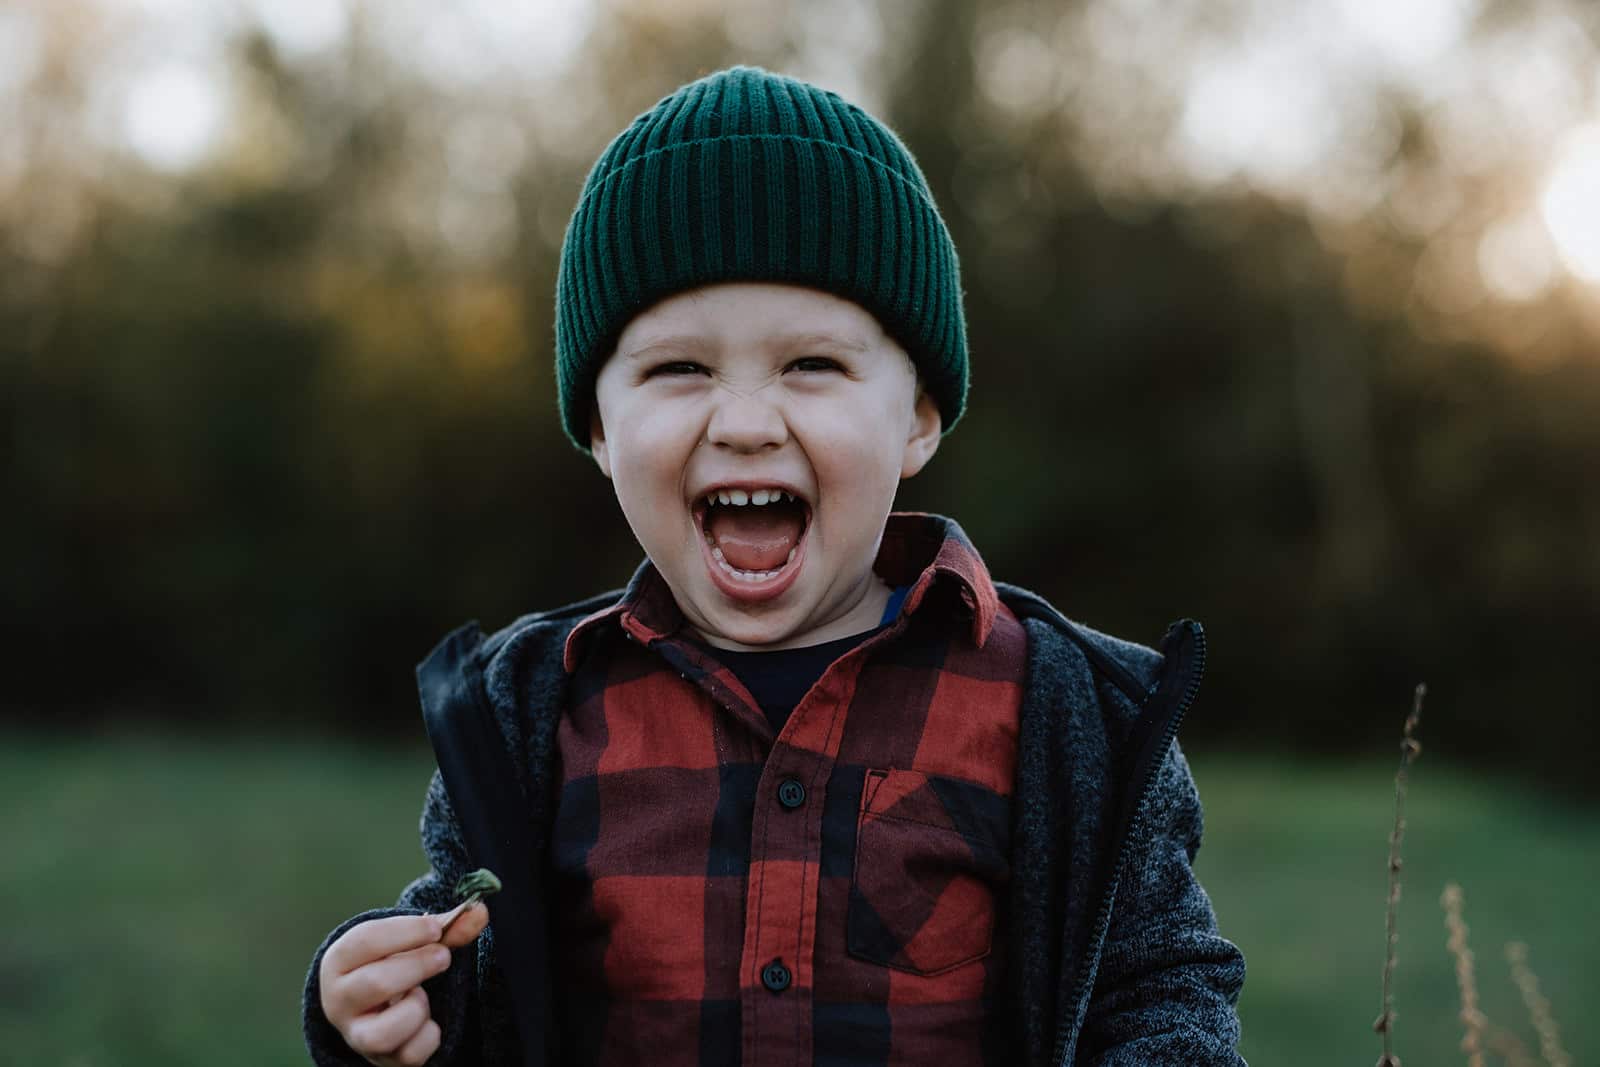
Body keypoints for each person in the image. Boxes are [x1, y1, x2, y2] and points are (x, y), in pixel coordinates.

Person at [301, 65, 1245, 1067]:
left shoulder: (1068, 713)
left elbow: (1162, 991)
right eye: (679, 368)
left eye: (811, 365)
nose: (745, 422)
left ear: (918, 416)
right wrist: (374, 1016)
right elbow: (466, 994)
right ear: (598, 428)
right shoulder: (529, 718)